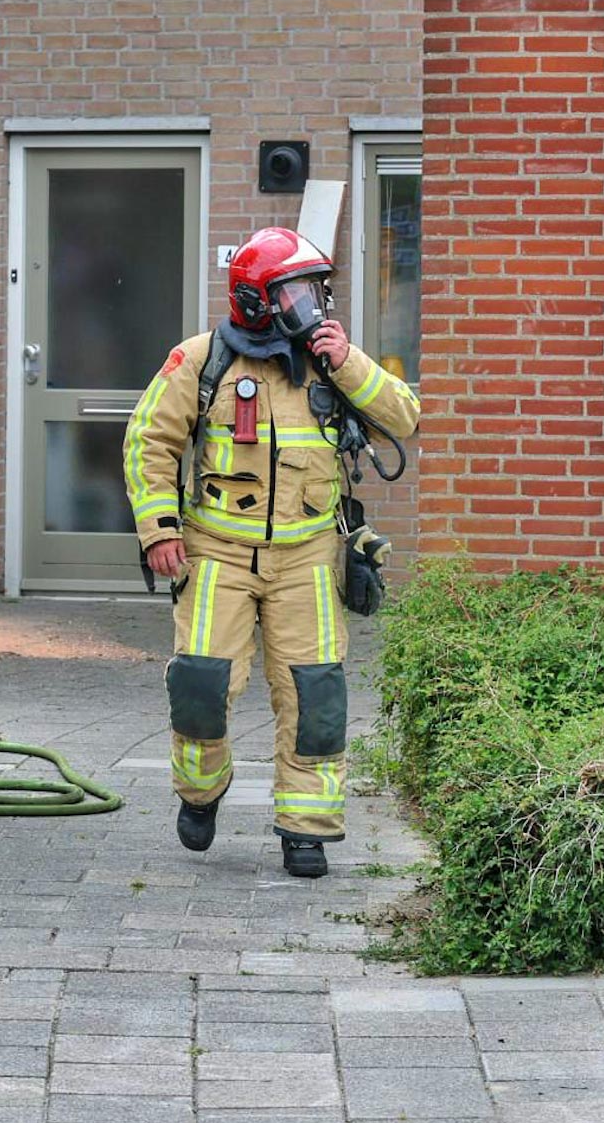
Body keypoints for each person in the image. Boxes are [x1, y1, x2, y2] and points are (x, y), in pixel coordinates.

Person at [123, 226, 419, 878]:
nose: (311, 302)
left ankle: (306, 829)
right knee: (200, 687)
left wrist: (348, 362)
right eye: (296, 290)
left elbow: (404, 417)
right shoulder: (200, 361)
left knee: (315, 697)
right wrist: (160, 530)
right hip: (216, 554)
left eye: (315, 289)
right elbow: (149, 440)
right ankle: (200, 792)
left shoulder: (331, 361)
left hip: (308, 558)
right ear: (257, 298)